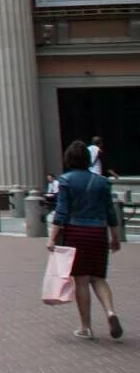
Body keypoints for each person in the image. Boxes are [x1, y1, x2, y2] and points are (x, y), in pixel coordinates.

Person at [49, 139, 123, 341]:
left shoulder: (65, 180)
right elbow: (110, 213)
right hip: (98, 233)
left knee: (81, 280)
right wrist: (115, 238)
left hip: (76, 232)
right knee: (99, 278)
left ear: (68, 159)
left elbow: (61, 212)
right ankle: (110, 312)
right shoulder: (102, 182)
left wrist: (52, 237)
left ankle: (86, 327)